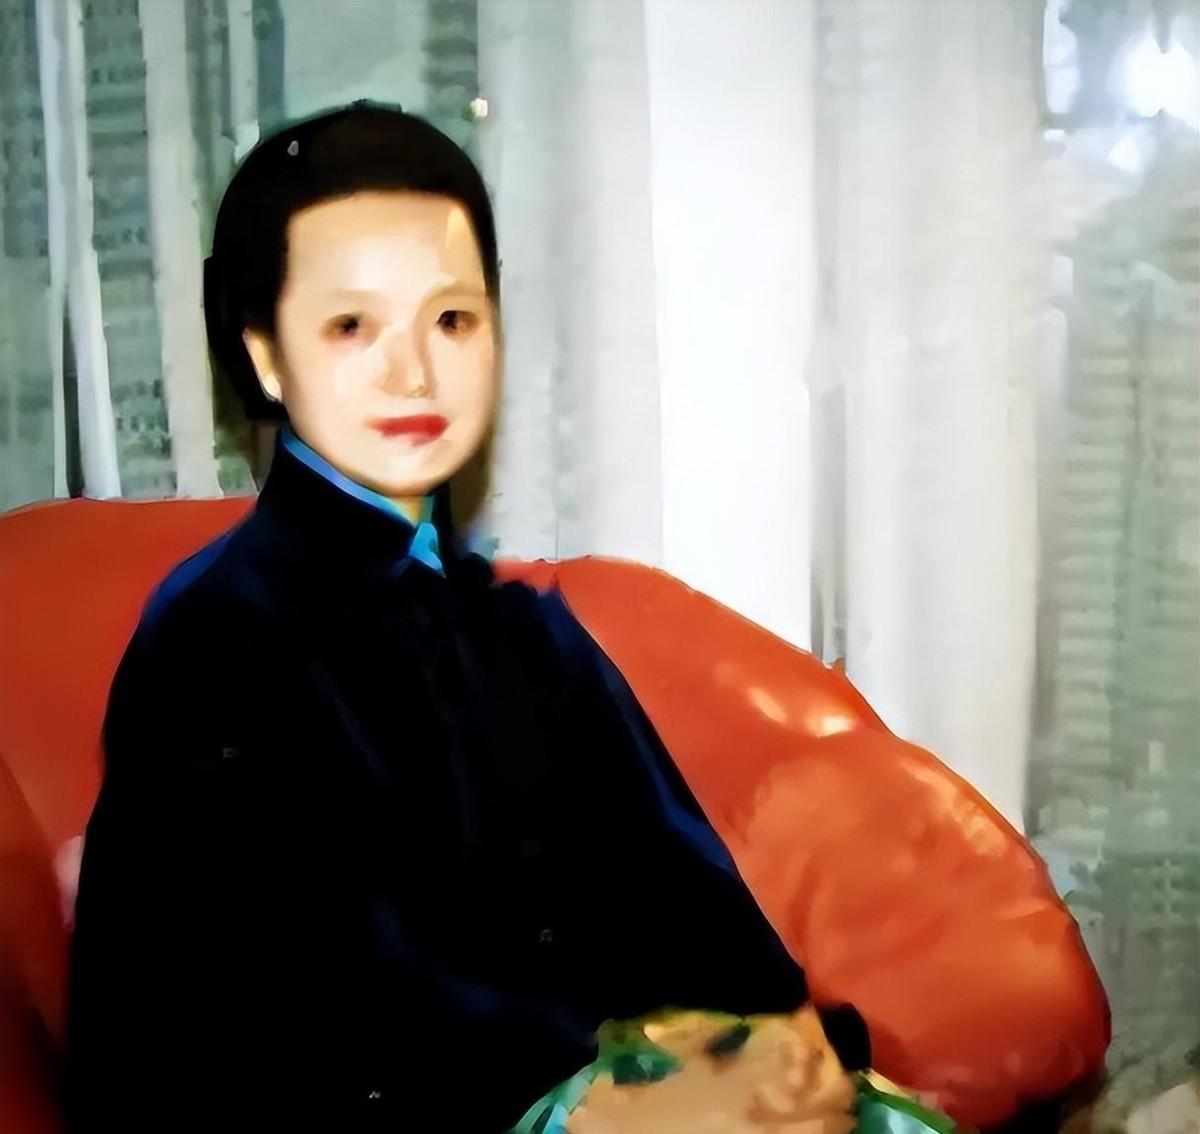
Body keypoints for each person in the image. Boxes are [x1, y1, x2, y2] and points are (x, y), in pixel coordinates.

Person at [65, 103, 867, 1132]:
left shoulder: (524, 635)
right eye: (352, 326)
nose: (414, 371)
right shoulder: (217, 639)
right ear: (265, 356)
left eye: (452, 320)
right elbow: (284, 1021)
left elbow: (688, 894)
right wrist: (608, 1109)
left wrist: (788, 1042)